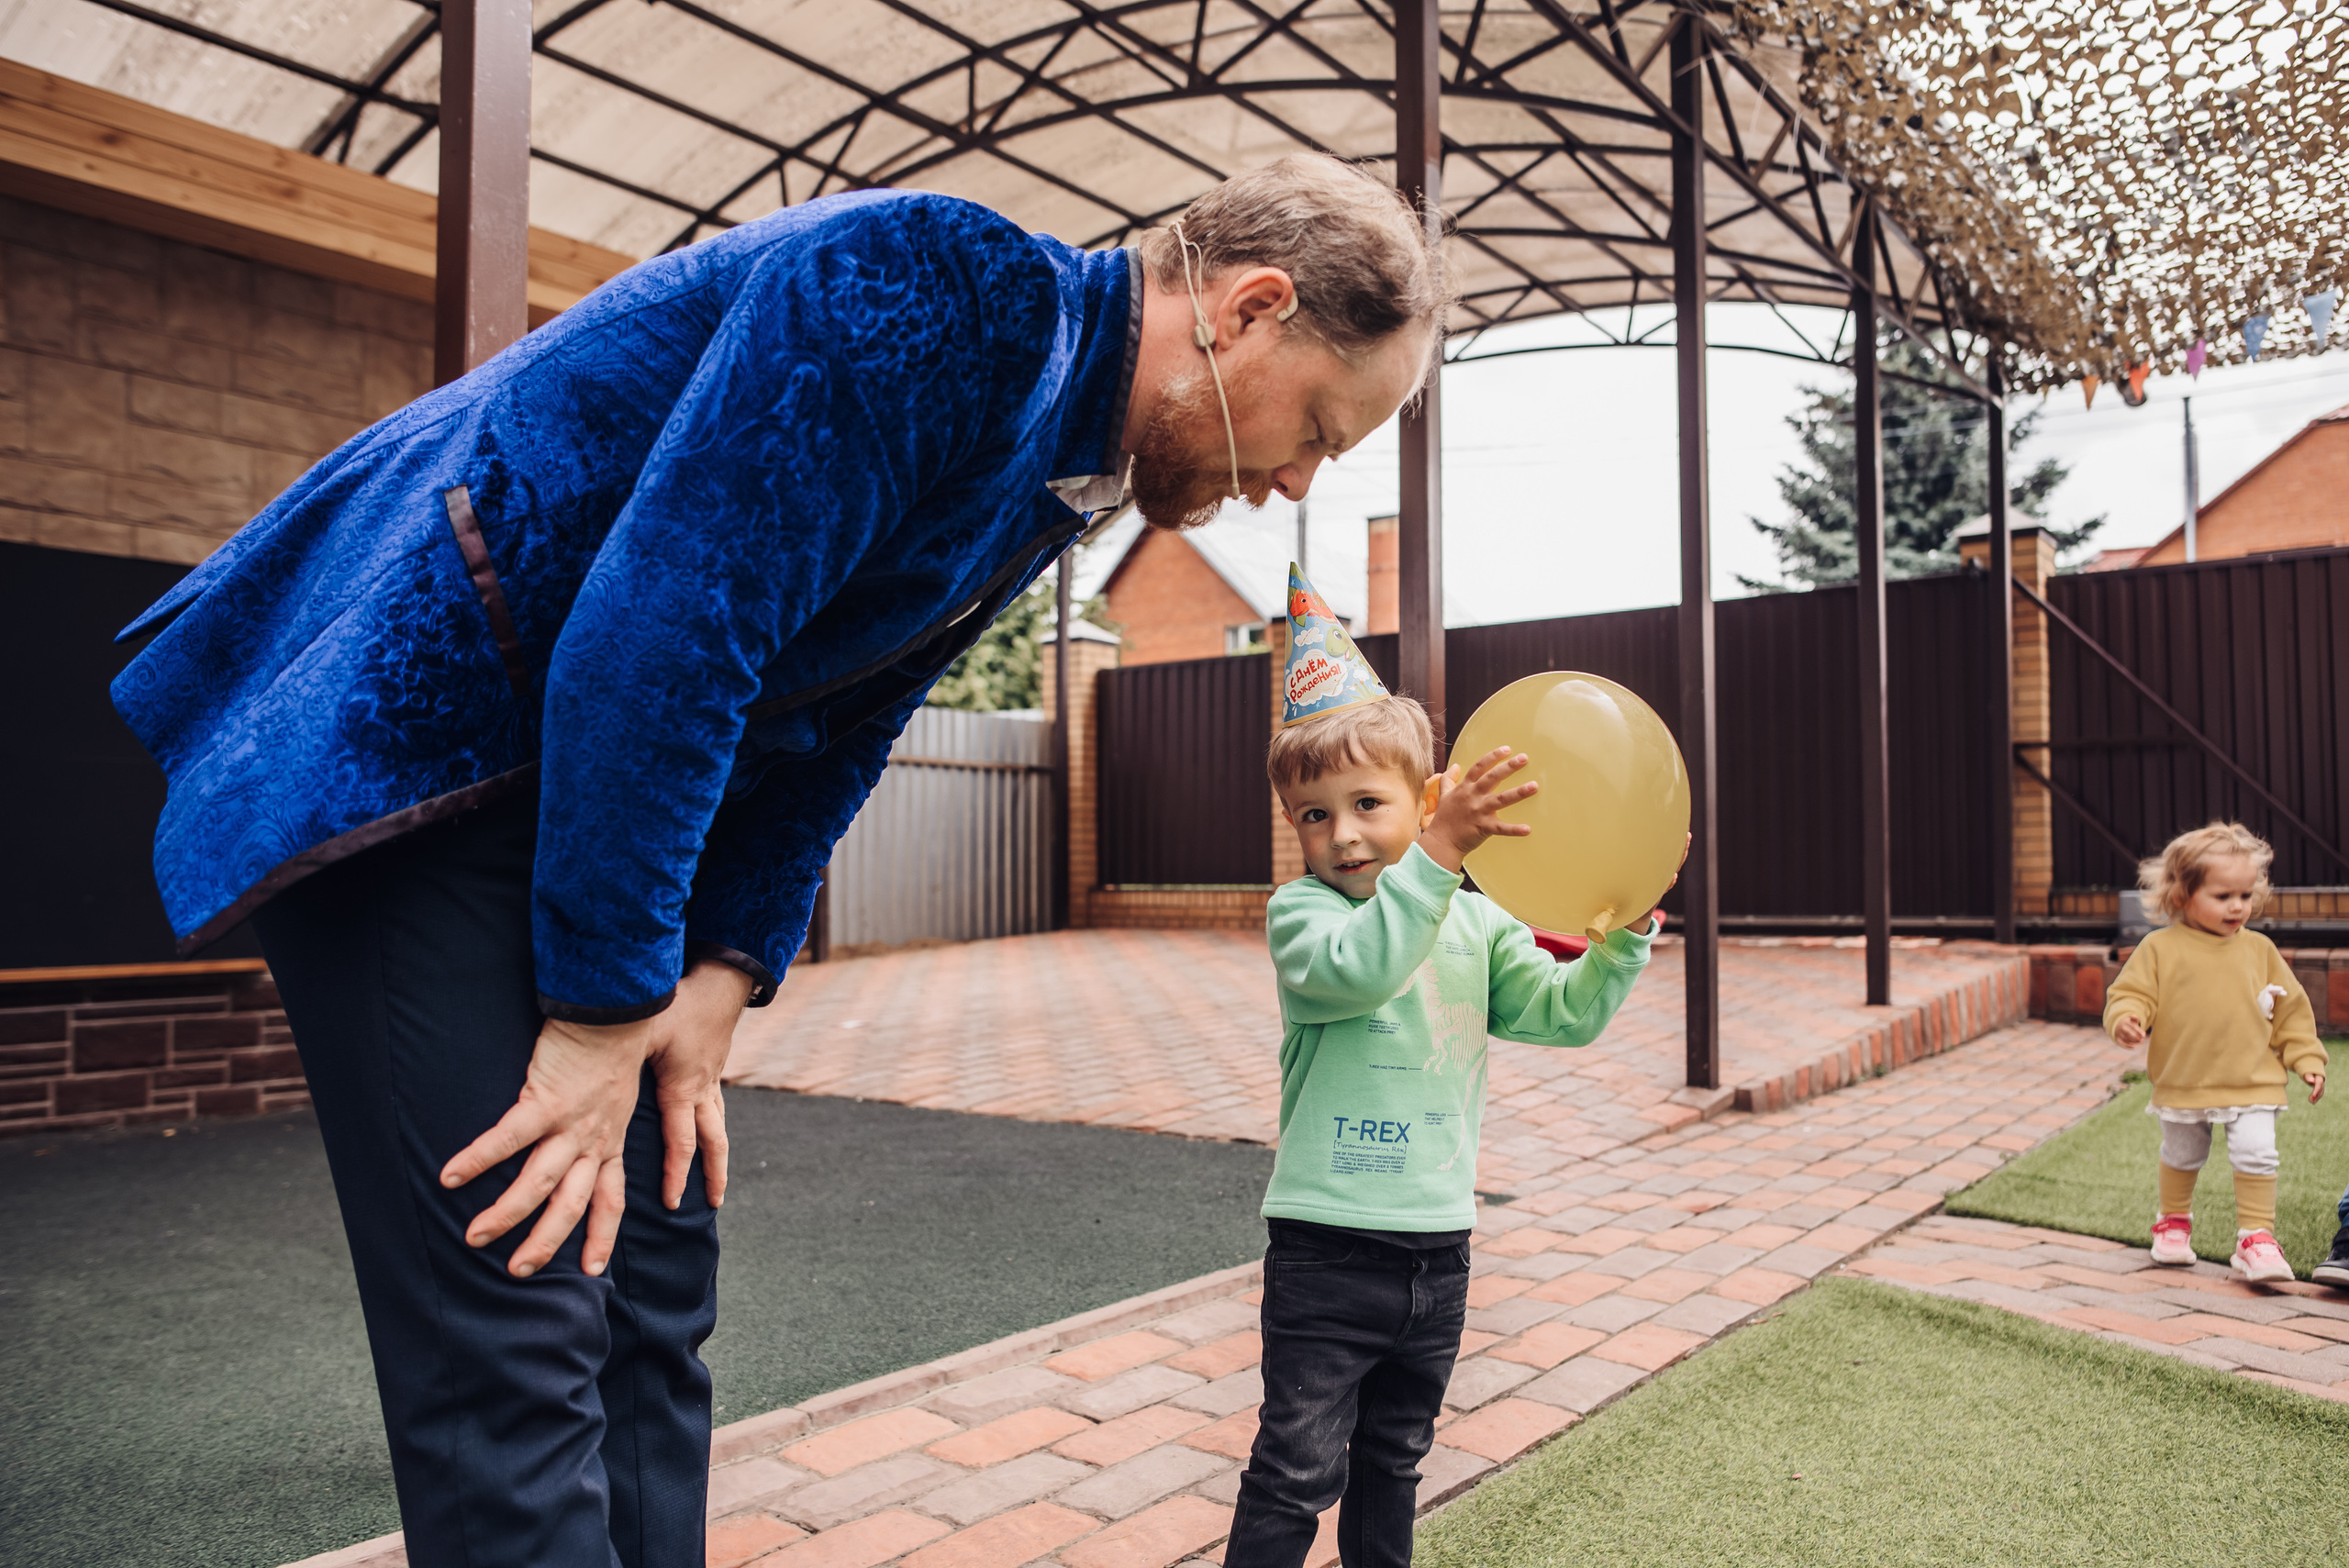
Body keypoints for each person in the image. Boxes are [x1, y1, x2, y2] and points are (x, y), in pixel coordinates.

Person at [109, 157, 1447, 1567]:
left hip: (598, 794)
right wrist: (601, 1011)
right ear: (1249, 308)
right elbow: (670, 629)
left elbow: (846, 724)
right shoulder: (953, 289)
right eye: (1318, 430)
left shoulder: (1065, 457)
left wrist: (716, 976)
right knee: (527, 1302)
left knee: (657, 1268)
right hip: (418, 752)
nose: (1293, 478)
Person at [1222, 571, 1657, 1568]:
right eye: (1311, 814)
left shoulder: (1474, 916)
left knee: (1394, 1459)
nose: (1339, 834)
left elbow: (1559, 1016)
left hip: (1436, 1252)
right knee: (1294, 1466)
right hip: (1325, 1250)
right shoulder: (1307, 917)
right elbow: (1361, 970)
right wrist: (1437, 861)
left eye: (1366, 803)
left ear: (1422, 800)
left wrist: (1620, 940)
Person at [2104, 822, 2327, 1283]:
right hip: (2183, 1080)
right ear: (2182, 894)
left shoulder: (2260, 950)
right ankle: (2173, 1224)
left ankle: (2256, 1238)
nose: (2238, 907)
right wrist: (2126, 1020)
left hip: (2253, 1079)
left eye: (2245, 895)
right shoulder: (2159, 948)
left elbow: (2291, 1013)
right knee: (2182, 1153)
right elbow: (2130, 996)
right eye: (2223, 896)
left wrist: (2306, 1058)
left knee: (2258, 1153)